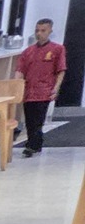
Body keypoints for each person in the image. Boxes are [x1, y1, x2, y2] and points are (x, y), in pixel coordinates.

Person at [16, 18, 67, 157]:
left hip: (45, 90)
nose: (39, 33)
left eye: (43, 30)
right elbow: (20, 70)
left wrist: (56, 88)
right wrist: (16, 87)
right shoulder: (28, 51)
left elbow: (61, 70)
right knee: (29, 119)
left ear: (50, 31)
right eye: (37, 30)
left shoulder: (57, 49)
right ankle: (36, 143)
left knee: (38, 119)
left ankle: (32, 145)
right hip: (29, 90)